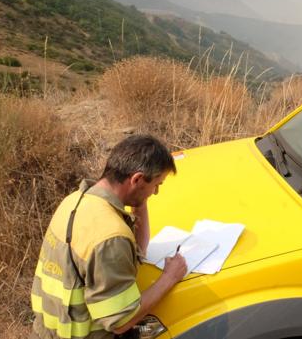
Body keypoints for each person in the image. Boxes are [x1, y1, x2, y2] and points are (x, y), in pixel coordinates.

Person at [31, 135, 187, 339]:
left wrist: (140, 198)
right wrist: (170, 277)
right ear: (137, 179)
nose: (155, 192)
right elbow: (121, 322)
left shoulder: (74, 202)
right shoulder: (110, 237)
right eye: (156, 184)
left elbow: (137, 250)